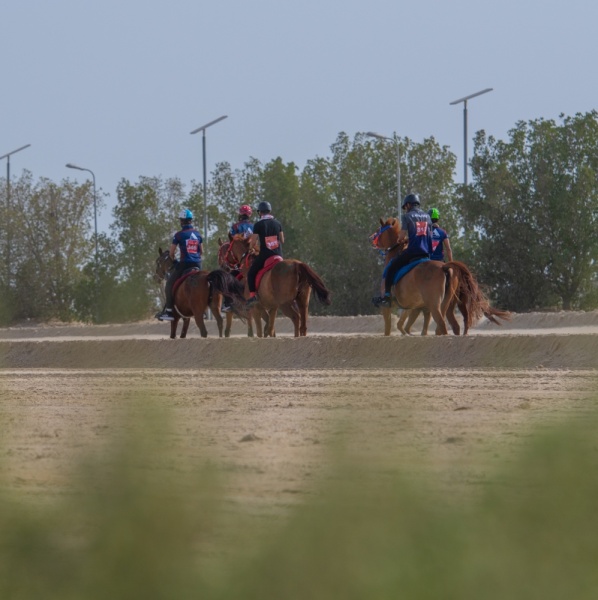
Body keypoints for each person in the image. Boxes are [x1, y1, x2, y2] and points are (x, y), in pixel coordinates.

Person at [372, 193, 432, 308]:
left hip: (413, 252)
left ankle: (387, 297)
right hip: (426, 253)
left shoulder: (407, 216)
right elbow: (428, 235)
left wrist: (401, 240)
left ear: (409, 205)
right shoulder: (427, 217)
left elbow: (402, 235)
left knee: (391, 267)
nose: (405, 209)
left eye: (405, 207)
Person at [156, 209, 203, 321]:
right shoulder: (197, 234)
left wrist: (174, 259)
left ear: (182, 221)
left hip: (185, 264)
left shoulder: (179, 235)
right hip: (198, 264)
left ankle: (168, 312)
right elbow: (201, 252)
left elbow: (171, 253)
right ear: (190, 221)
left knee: (169, 285)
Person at [245, 201, 284, 307]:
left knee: (251, 273)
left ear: (259, 212)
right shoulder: (278, 223)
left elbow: (253, 242)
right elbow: (282, 240)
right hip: (279, 255)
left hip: (266, 256)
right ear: (269, 211)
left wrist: (251, 248)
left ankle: (253, 296)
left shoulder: (258, 225)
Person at [222, 205, 255, 313]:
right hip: (254, 255)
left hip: (241, 257)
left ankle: (227, 303)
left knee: (230, 278)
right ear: (249, 215)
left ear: (240, 214)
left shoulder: (236, 227)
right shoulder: (254, 226)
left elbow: (232, 242)